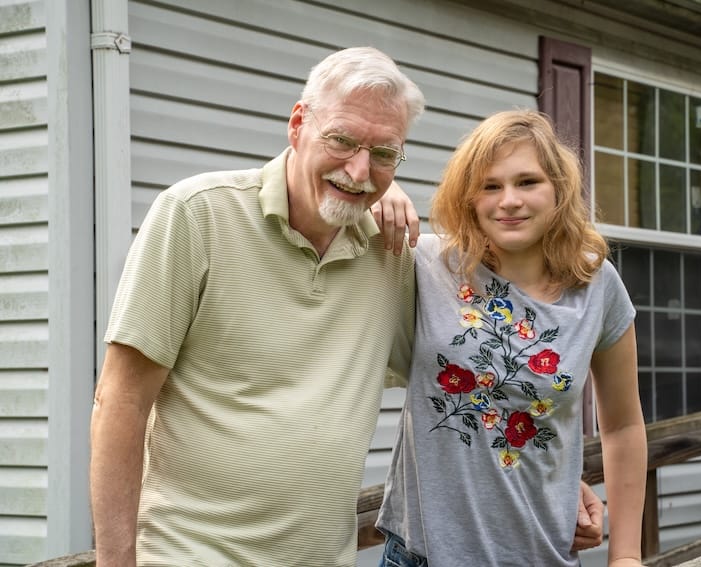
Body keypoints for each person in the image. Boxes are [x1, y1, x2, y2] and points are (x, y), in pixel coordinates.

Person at [89, 46, 604, 567]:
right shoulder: (196, 215)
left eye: (384, 153)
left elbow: (480, 378)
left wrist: (555, 475)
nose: (358, 169)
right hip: (192, 554)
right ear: (297, 124)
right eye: (341, 140)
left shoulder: (394, 256)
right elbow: (120, 402)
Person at [374, 110, 648, 566]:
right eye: (490, 185)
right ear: (469, 198)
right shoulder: (424, 265)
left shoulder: (596, 284)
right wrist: (381, 190)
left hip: (544, 554)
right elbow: (323, 210)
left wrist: (626, 557)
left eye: (527, 182)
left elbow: (623, 426)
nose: (509, 201)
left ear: (559, 191)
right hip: (423, 557)